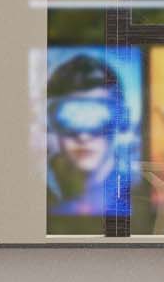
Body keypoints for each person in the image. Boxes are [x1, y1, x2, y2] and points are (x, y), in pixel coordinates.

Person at [45, 54, 134, 218]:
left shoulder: (141, 194)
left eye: (97, 117)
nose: (83, 137)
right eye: (69, 117)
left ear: (121, 120)